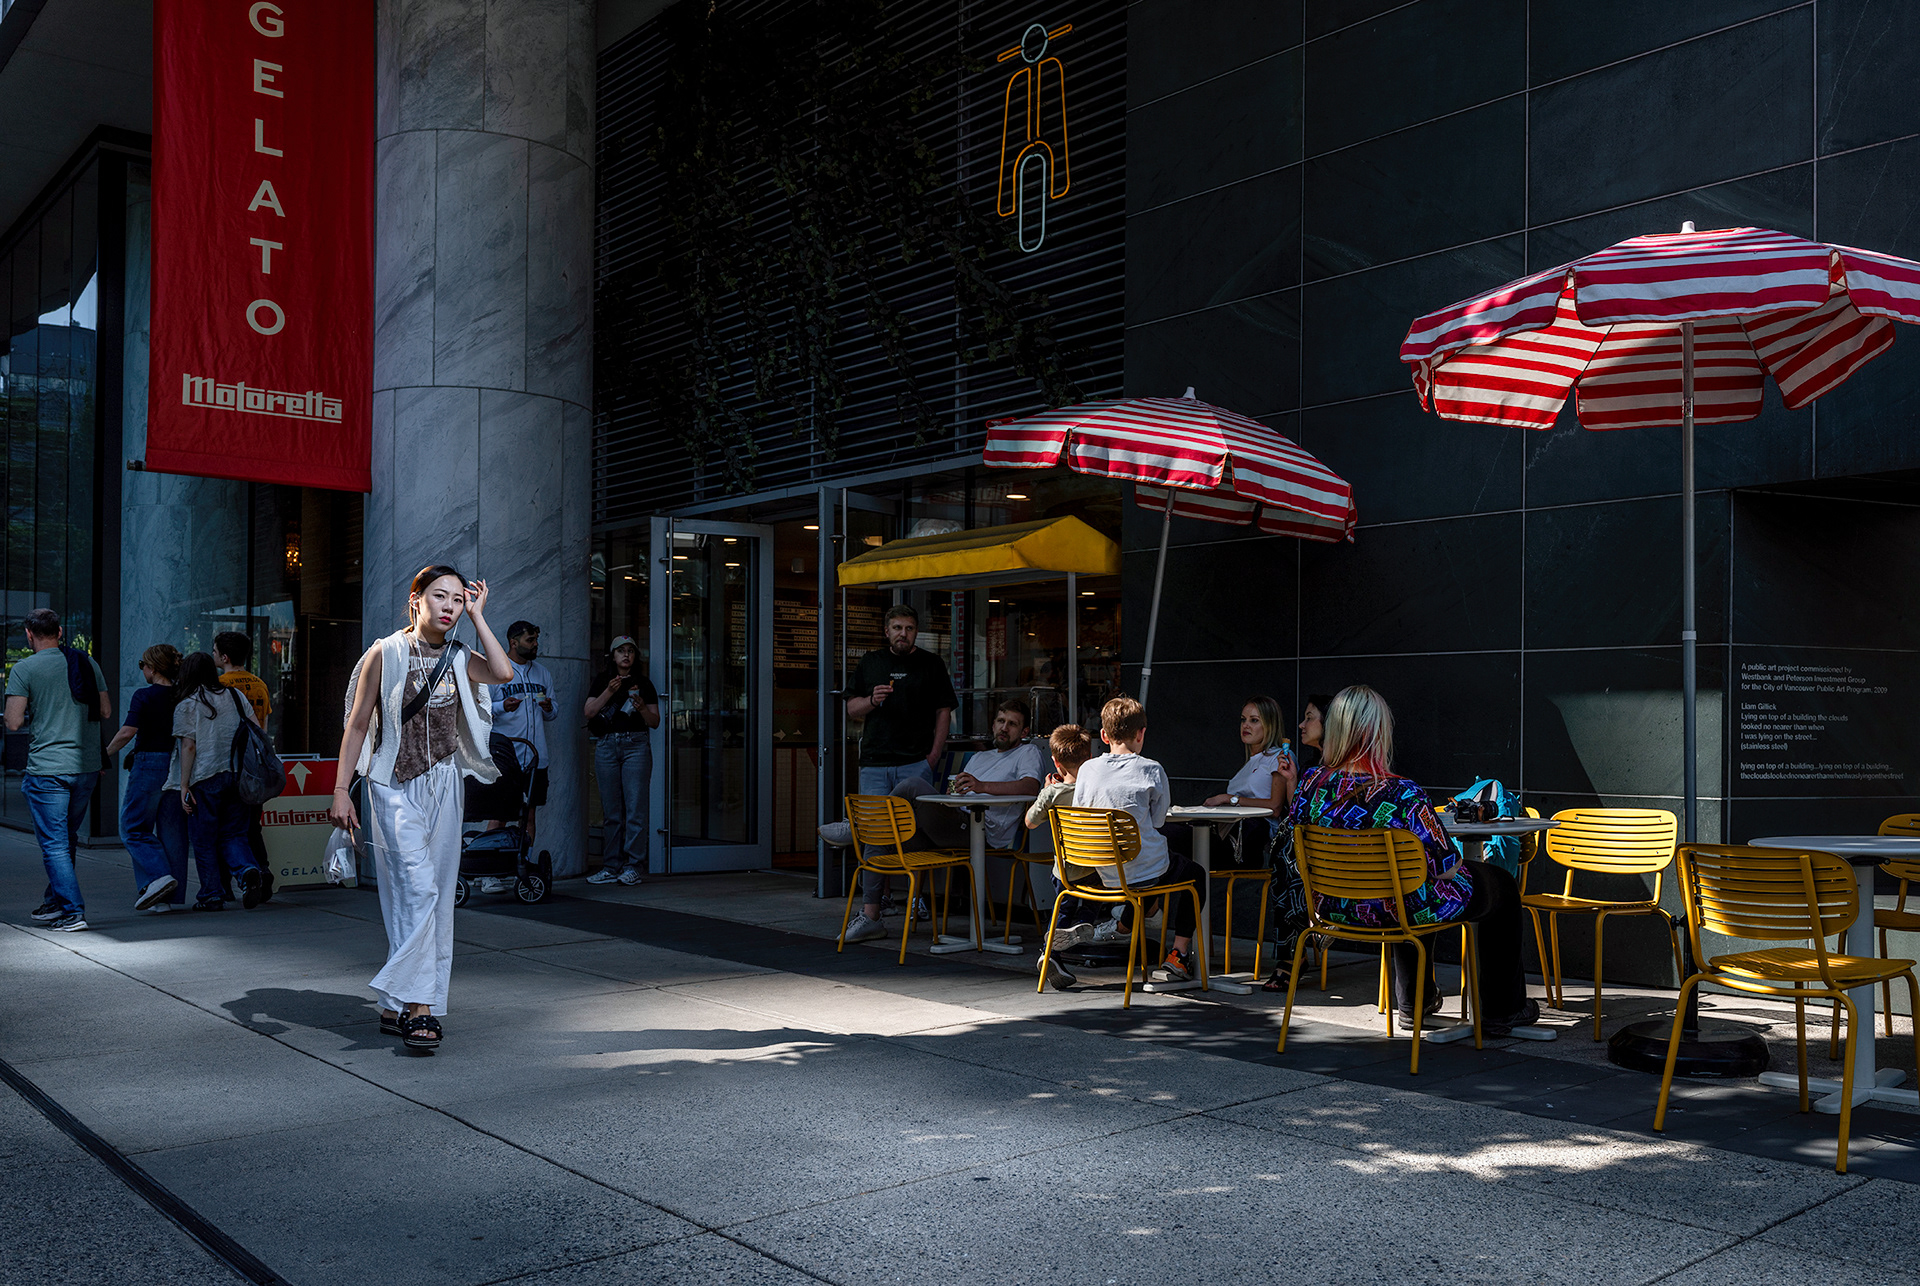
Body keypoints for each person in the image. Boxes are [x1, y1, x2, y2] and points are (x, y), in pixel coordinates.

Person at [326, 565, 512, 1052]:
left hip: (445, 783)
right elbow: (358, 724)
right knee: (417, 887)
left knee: (430, 895)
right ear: (416, 600)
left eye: (458, 599)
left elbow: (503, 672)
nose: (449, 606)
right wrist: (341, 789)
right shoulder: (384, 652)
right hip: (390, 783)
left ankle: (395, 1000)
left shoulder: (458, 654)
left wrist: (479, 618)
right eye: (440, 597)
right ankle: (421, 1009)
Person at [1284, 685, 1538, 1034]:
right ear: (1378, 732)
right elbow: (1448, 864)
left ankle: (1414, 1004)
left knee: (1411, 885)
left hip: (1334, 908)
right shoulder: (1402, 793)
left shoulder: (1309, 785)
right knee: (1499, 887)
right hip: (1396, 908)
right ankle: (1502, 1010)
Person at [840, 697, 1044, 944]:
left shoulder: (1027, 751)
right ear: (993, 725)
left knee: (912, 785)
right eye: (1001, 721)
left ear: (1023, 731)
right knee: (883, 831)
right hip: (953, 823)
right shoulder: (981, 757)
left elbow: (1031, 787)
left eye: (1012, 724)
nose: (1004, 727)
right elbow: (960, 790)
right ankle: (870, 918)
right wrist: (954, 795)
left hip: (981, 832)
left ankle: (856, 828)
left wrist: (980, 786)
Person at [1062, 695, 1208, 983]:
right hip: (1141, 872)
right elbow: (1157, 821)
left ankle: (1134, 919)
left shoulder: (1088, 769)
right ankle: (1178, 955)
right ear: (1142, 734)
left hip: (1101, 871)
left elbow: (1080, 812)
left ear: (1103, 735)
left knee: (1151, 862)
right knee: (1192, 873)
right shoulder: (1152, 769)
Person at [7, 608, 111, 932]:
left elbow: (12, 722)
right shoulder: (87, 662)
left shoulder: (24, 669)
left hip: (48, 769)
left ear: (29, 634)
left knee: (53, 844)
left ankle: (72, 911)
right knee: (64, 840)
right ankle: (55, 903)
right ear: (61, 631)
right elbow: (105, 710)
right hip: (86, 768)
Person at [175, 651, 269, 911]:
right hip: (238, 777)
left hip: (204, 778)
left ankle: (211, 895)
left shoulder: (188, 703)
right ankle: (248, 870)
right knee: (234, 834)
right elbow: (256, 730)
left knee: (204, 840)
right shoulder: (236, 696)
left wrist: (183, 785)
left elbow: (188, 746)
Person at [105, 645, 187, 912]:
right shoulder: (183, 696)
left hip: (149, 763)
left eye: (142, 664)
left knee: (133, 827)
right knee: (172, 832)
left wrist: (104, 754)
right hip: (178, 765)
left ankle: (158, 879)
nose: (141, 669)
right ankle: (165, 897)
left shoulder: (144, 696)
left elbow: (128, 731)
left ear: (152, 667)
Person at [846, 604, 956, 795]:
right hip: (875, 763)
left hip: (915, 762)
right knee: (875, 822)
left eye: (909, 628)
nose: (903, 634)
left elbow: (943, 711)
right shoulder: (871, 661)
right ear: (887, 631)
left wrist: (934, 756)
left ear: (916, 632)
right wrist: (872, 700)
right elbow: (852, 708)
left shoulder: (932, 663)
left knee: (912, 823)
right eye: (897, 628)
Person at [483, 621, 557, 888]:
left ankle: (520, 866)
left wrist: (548, 707)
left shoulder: (542, 673)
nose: (535, 644)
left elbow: (554, 712)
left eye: (536, 639)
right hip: (506, 758)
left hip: (536, 757)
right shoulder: (497, 671)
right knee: (499, 813)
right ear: (514, 642)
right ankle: (489, 873)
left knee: (528, 815)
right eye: (530, 640)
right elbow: (481, 710)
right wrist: (503, 706)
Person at [583, 635, 659, 885]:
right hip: (607, 744)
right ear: (613, 656)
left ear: (635, 657)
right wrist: (609, 691)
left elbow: (655, 722)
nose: (626, 655)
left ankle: (634, 865)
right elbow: (590, 712)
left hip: (635, 744)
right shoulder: (603, 681)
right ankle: (611, 866)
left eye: (630, 651)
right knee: (612, 811)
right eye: (621, 651)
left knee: (635, 808)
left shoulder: (643, 683)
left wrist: (640, 707)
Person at [1026, 722, 1094, 989]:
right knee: (1094, 893)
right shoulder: (1096, 789)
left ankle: (1049, 953)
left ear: (1055, 761)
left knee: (1062, 905)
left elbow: (1030, 822)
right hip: (1095, 870)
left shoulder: (1052, 793)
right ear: (1089, 757)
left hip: (1065, 871)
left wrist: (1045, 791)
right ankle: (1085, 921)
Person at [214, 631, 275, 904]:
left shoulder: (219, 686)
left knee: (226, 829)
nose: (213, 655)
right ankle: (263, 871)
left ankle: (228, 883)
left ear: (224, 657)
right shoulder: (260, 685)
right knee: (252, 826)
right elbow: (264, 729)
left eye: (215, 651)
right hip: (255, 767)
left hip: (229, 765)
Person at [1297, 693, 1334, 771]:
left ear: (1327, 721)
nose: (1301, 725)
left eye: (1309, 718)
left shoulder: (1347, 768)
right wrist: (1292, 779)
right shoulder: (1308, 767)